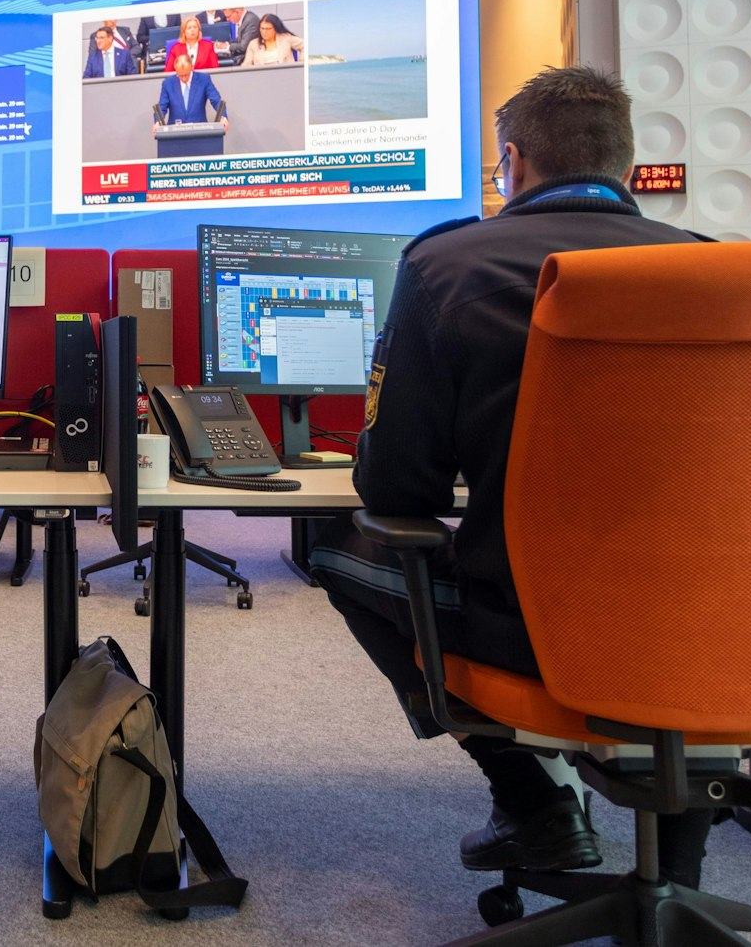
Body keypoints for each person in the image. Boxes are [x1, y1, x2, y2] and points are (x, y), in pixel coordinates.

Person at [308, 67, 718, 888]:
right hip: (719, 628)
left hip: (533, 630)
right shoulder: (720, 274)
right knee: (680, 603)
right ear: (628, 172)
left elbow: (396, 494)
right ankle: (678, 875)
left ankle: (531, 800)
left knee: (331, 546)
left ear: (515, 163)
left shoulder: (446, 265)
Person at [152, 51, 228, 134]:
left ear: (192, 67)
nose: (184, 78)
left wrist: (223, 117)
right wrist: (157, 122)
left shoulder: (204, 79)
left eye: (187, 75)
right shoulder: (168, 83)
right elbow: (162, 107)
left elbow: (216, 100)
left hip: (200, 133)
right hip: (175, 134)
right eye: (180, 75)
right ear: (176, 70)